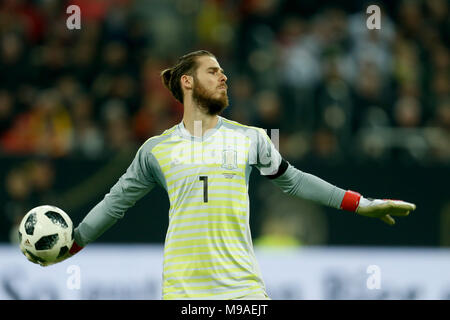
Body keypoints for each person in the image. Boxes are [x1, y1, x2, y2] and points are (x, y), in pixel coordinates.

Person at [24, 50, 416, 300]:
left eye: (224, 71)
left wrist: (360, 204)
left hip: (243, 291)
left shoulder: (251, 138)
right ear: (188, 81)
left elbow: (294, 180)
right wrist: (69, 248)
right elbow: (114, 205)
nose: (224, 77)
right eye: (213, 71)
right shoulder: (155, 150)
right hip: (183, 292)